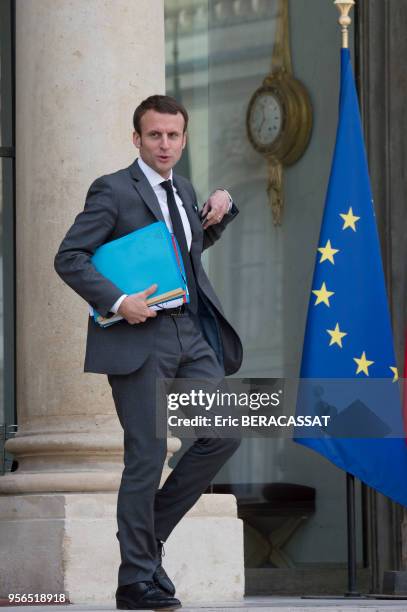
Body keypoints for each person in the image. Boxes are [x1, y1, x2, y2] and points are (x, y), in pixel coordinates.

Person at [54, 94, 242, 610]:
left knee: (224, 433)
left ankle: (145, 541)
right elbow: (69, 257)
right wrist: (118, 301)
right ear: (137, 139)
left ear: (183, 139)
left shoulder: (183, 188)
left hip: (192, 333)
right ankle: (135, 580)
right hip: (141, 337)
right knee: (148, 456)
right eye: (155, 135)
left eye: (173, 135)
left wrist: (218, 214)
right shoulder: (113, 190)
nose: (165, 144)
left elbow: (183, 255)